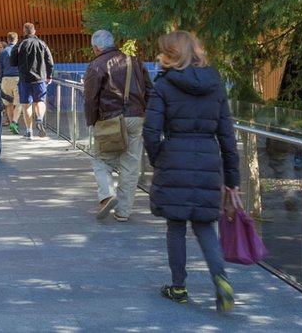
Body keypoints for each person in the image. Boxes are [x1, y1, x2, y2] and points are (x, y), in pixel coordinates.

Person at [143, 30, 240, 313]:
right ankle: (221, 280)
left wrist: (159, 158)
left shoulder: (164, 85)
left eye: (161, 52)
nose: (158, 57)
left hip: (174, 158)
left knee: (175, 226)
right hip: (209, 161)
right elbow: (228, 138)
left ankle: (179, 287)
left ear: (173, 55)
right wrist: (232, 181)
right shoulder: (216, 83)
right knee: (204, 226)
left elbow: (151, 132)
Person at [84, 30, 152, 221]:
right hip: (136, 117)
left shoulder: (97, 65)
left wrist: (92, 121)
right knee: (130, 165)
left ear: (96, 47)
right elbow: (149, 90)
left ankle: (107, 195)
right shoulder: (135, 62)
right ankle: (123, 211)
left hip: (110, 119)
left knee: (101, 159)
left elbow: (90, 98)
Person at [10, 22, 54, 139]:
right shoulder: (42, 43)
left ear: (24, 32)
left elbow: (12, 62)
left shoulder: (20, 44)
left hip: (25, 79)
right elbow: (50, 61)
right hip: (40, 78)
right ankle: (39, 118)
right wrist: (49, 75)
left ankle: (29, 132)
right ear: (34, 31)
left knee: (26, 106)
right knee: (40, 101)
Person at [0, 32, 22, 135]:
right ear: (16, 39)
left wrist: (0, 80)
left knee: (8, 103)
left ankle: (11, 123)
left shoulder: (3, 52)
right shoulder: (20, 51)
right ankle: (14, 122)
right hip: (17, 78)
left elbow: (0, 68)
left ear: (7, 40)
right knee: (19, 103)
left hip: (6, 79)